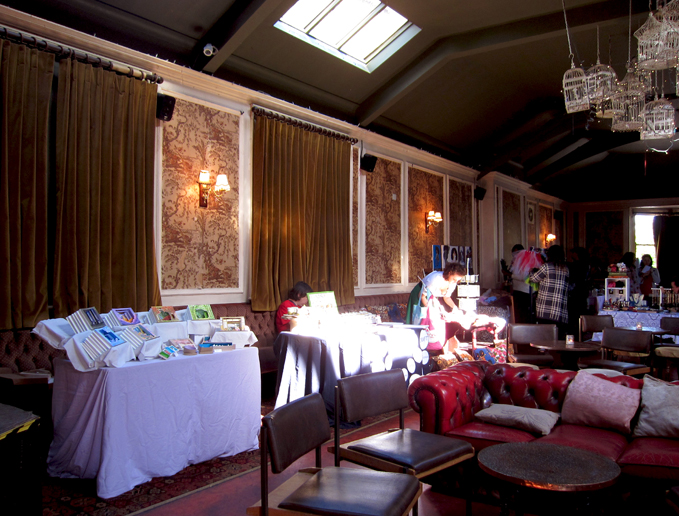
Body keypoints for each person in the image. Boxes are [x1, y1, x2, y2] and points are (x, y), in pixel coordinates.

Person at [529, 245, 570, 338]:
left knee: (545, 337)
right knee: (558, 337)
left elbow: (533, 278)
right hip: (560, 310)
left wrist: (531, 270)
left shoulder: (547, 267)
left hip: (545, 309)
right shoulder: (566, 269)